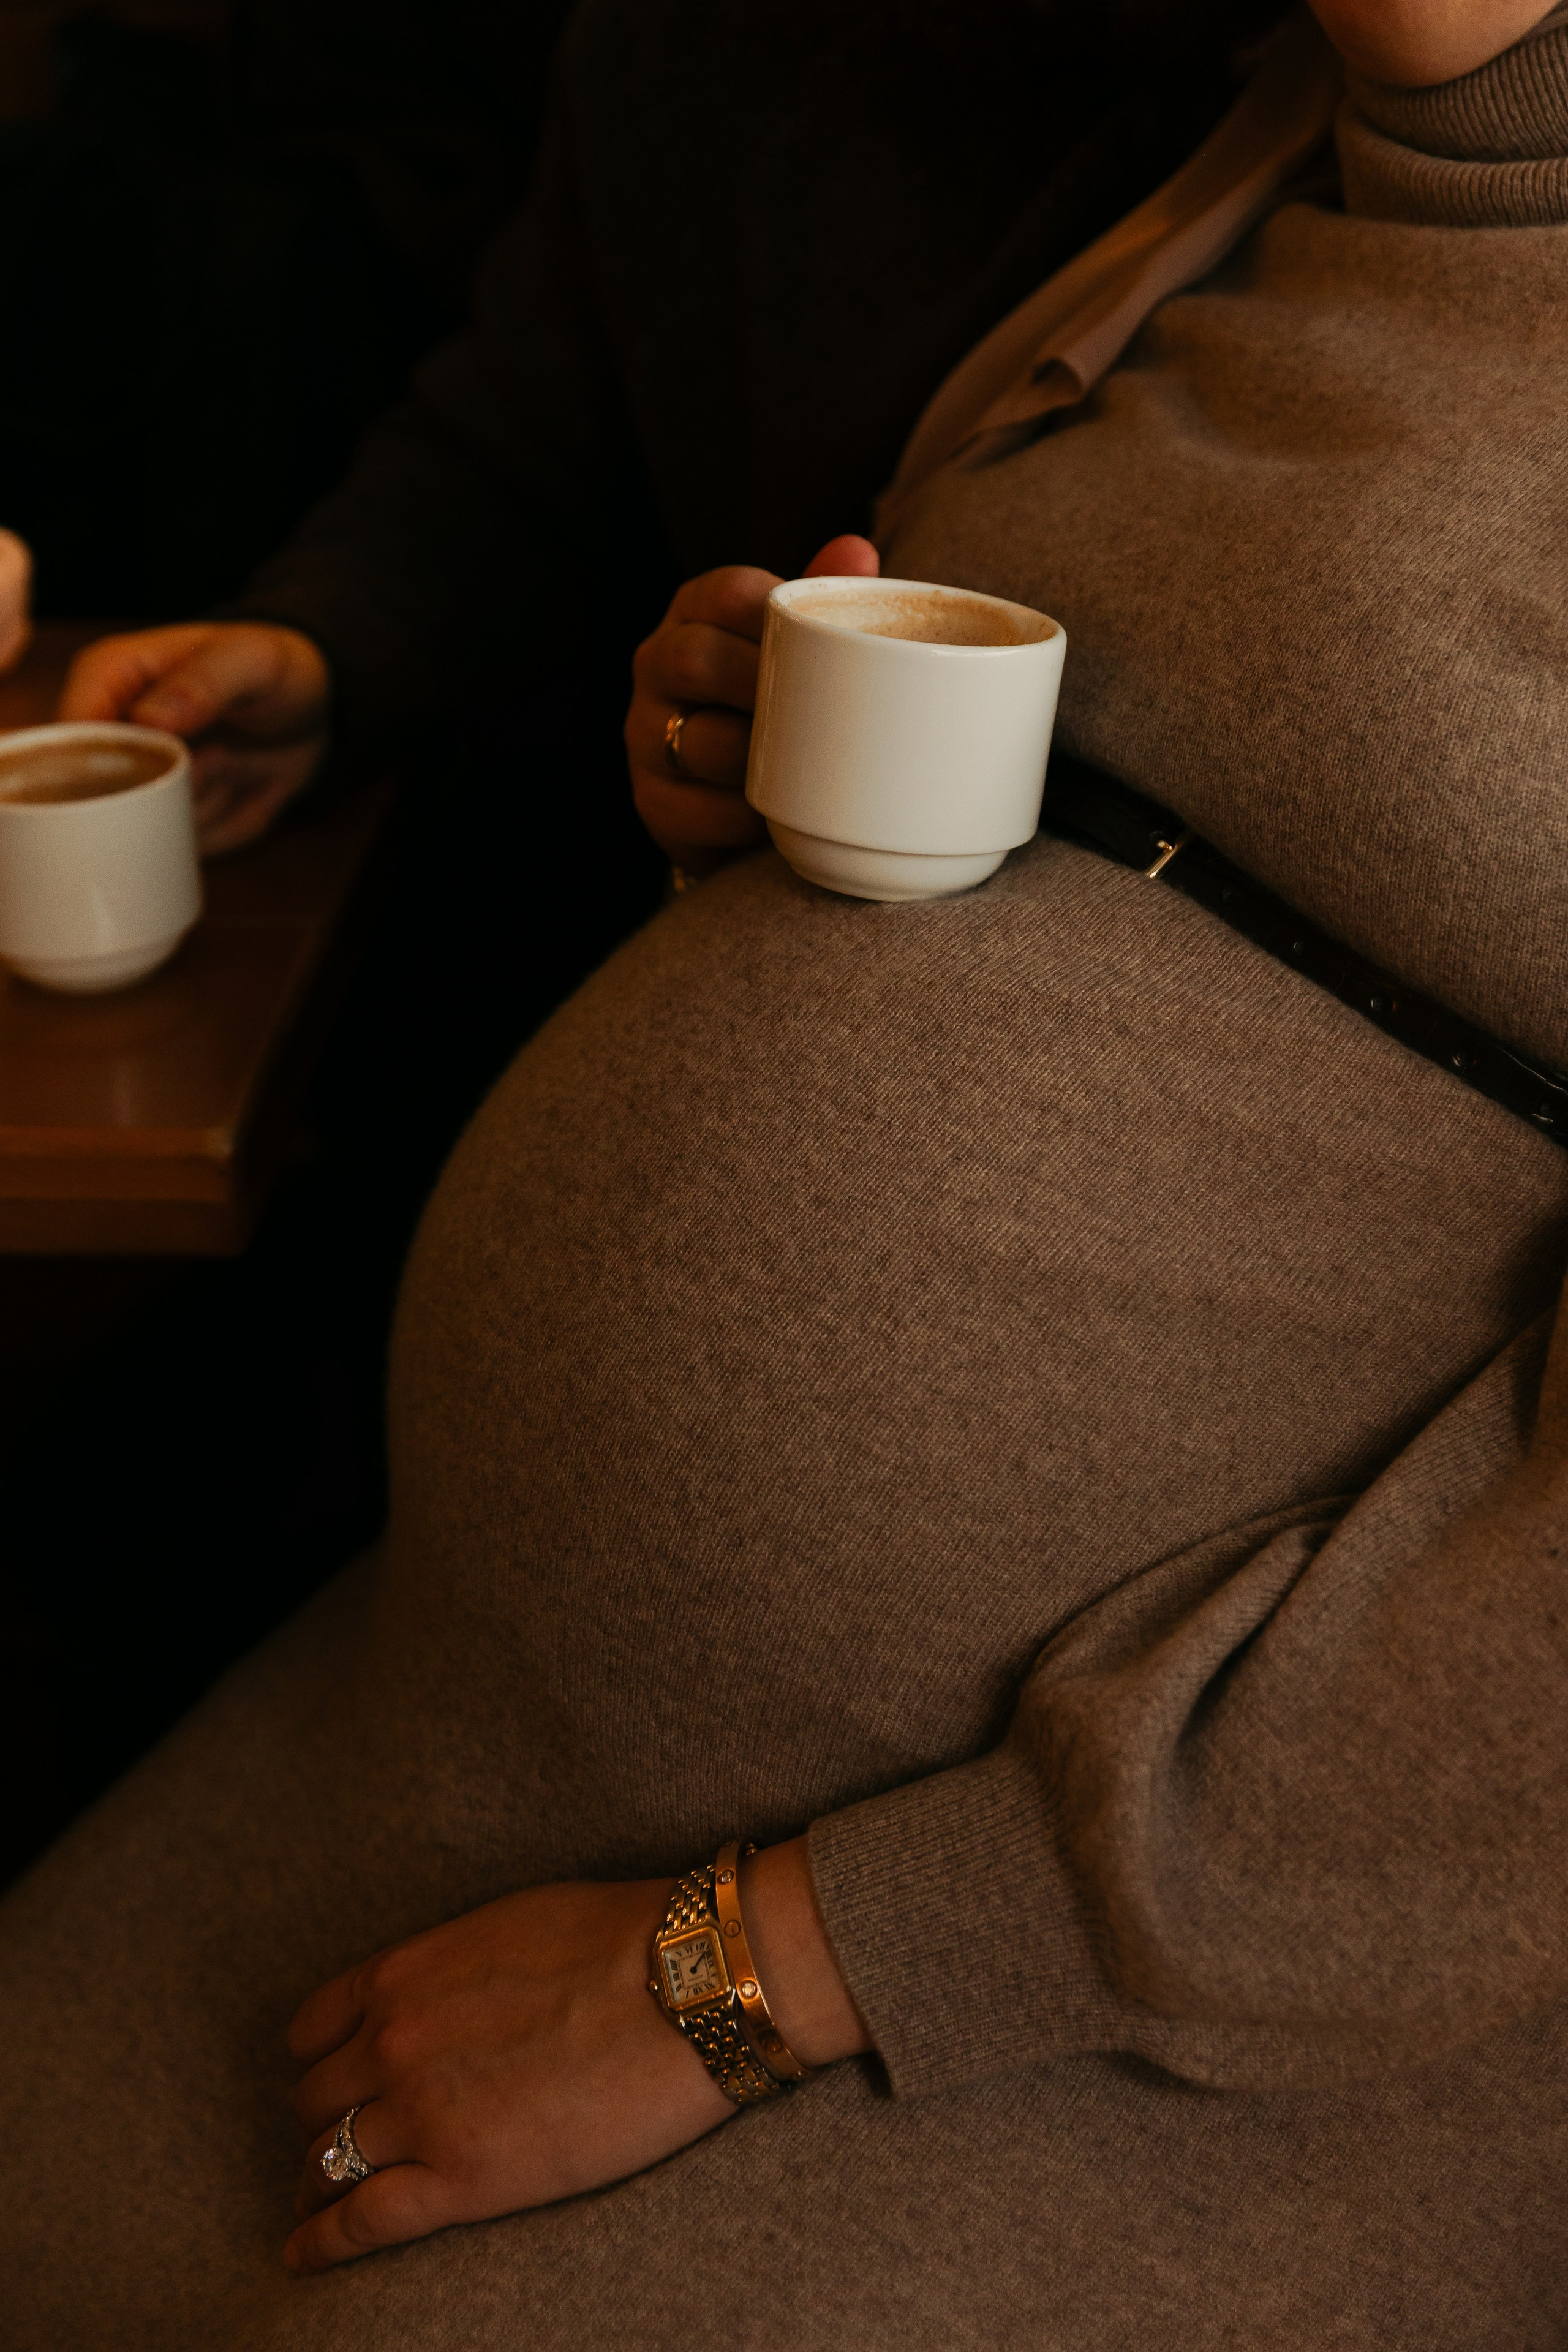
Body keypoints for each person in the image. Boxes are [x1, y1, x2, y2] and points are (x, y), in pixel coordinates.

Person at [4, 1, 1568, 2345]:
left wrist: (757, 1971)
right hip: (452, 1727)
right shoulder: (1264, 175)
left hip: (1038, 1986)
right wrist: (758, 837)